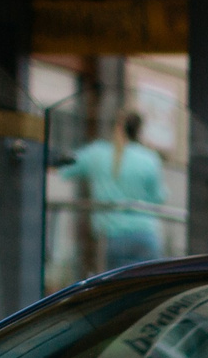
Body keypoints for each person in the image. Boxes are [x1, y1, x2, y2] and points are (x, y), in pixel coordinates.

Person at [64, 110, 168, 270]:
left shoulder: (98, 153)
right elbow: (158, 197)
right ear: (139, 130)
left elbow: (65, 167)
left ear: (116, 128)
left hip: (114, 237)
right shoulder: (149, 158)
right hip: (146, 235)